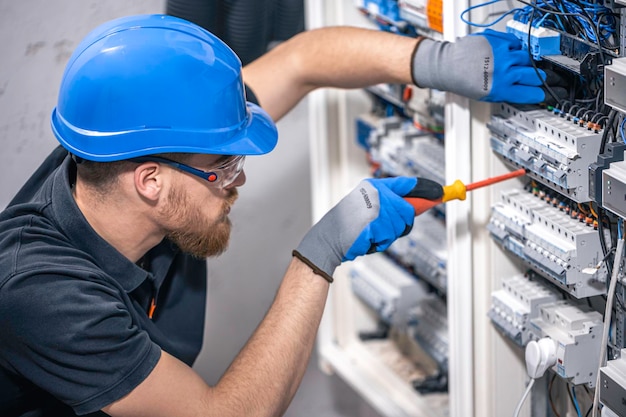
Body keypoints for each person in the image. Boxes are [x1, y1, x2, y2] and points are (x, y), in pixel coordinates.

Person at [0, 13, 551, 417]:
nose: (239, 179)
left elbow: (301, 61)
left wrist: (429, 60)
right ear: (150, 182)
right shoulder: (40, 291)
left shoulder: (124, 152)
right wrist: (320, 254)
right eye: (224, 166)